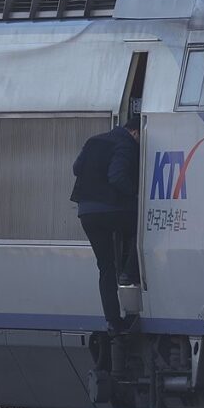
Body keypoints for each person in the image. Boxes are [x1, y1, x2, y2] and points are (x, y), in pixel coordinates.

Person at [71, 115, 141, 332]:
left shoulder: (94, 140)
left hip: (87, 213)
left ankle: (113, 320)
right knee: (145, 230)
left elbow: (76, 168)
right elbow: (117, 176)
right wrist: (136, 196)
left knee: (105, 266)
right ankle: (129, 272)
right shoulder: (126, 144)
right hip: (112, 209)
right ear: (135, 132)